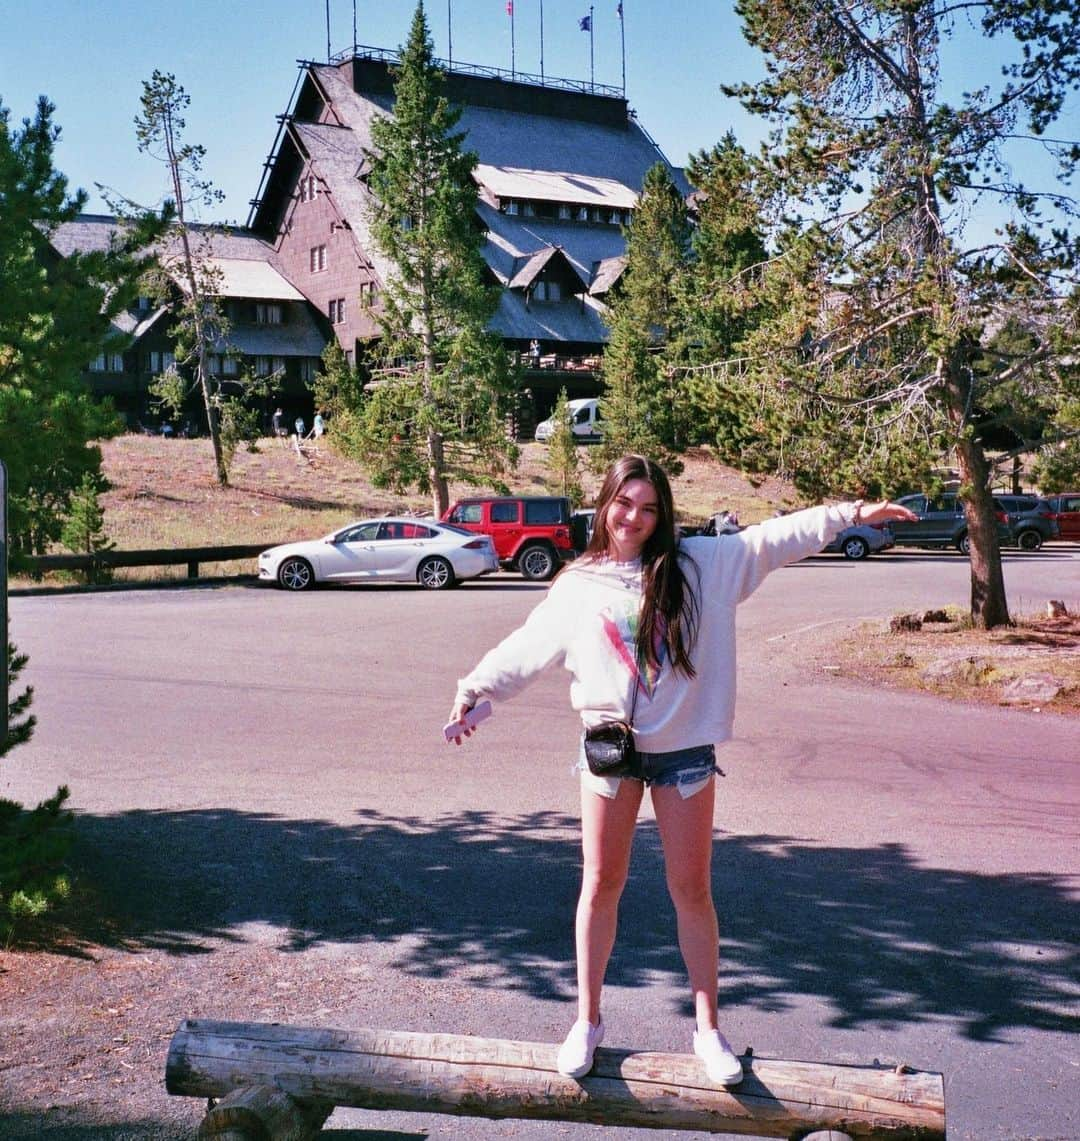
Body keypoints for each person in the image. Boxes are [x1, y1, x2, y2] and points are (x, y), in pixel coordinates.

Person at [447, 454, 917, 1086]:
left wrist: (850, 514)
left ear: (663, 512)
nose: (634, 518)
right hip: (609, 751)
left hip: (684, 755)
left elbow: (773, 540)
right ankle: (586, 1021)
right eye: (624, 503)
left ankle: (708, 1030)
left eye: (648, 507)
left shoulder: (703, 564)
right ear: (605, 502)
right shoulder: (580, 582)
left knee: (691, 890)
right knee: (600, 885)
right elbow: (527, 647)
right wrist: (476, 690)